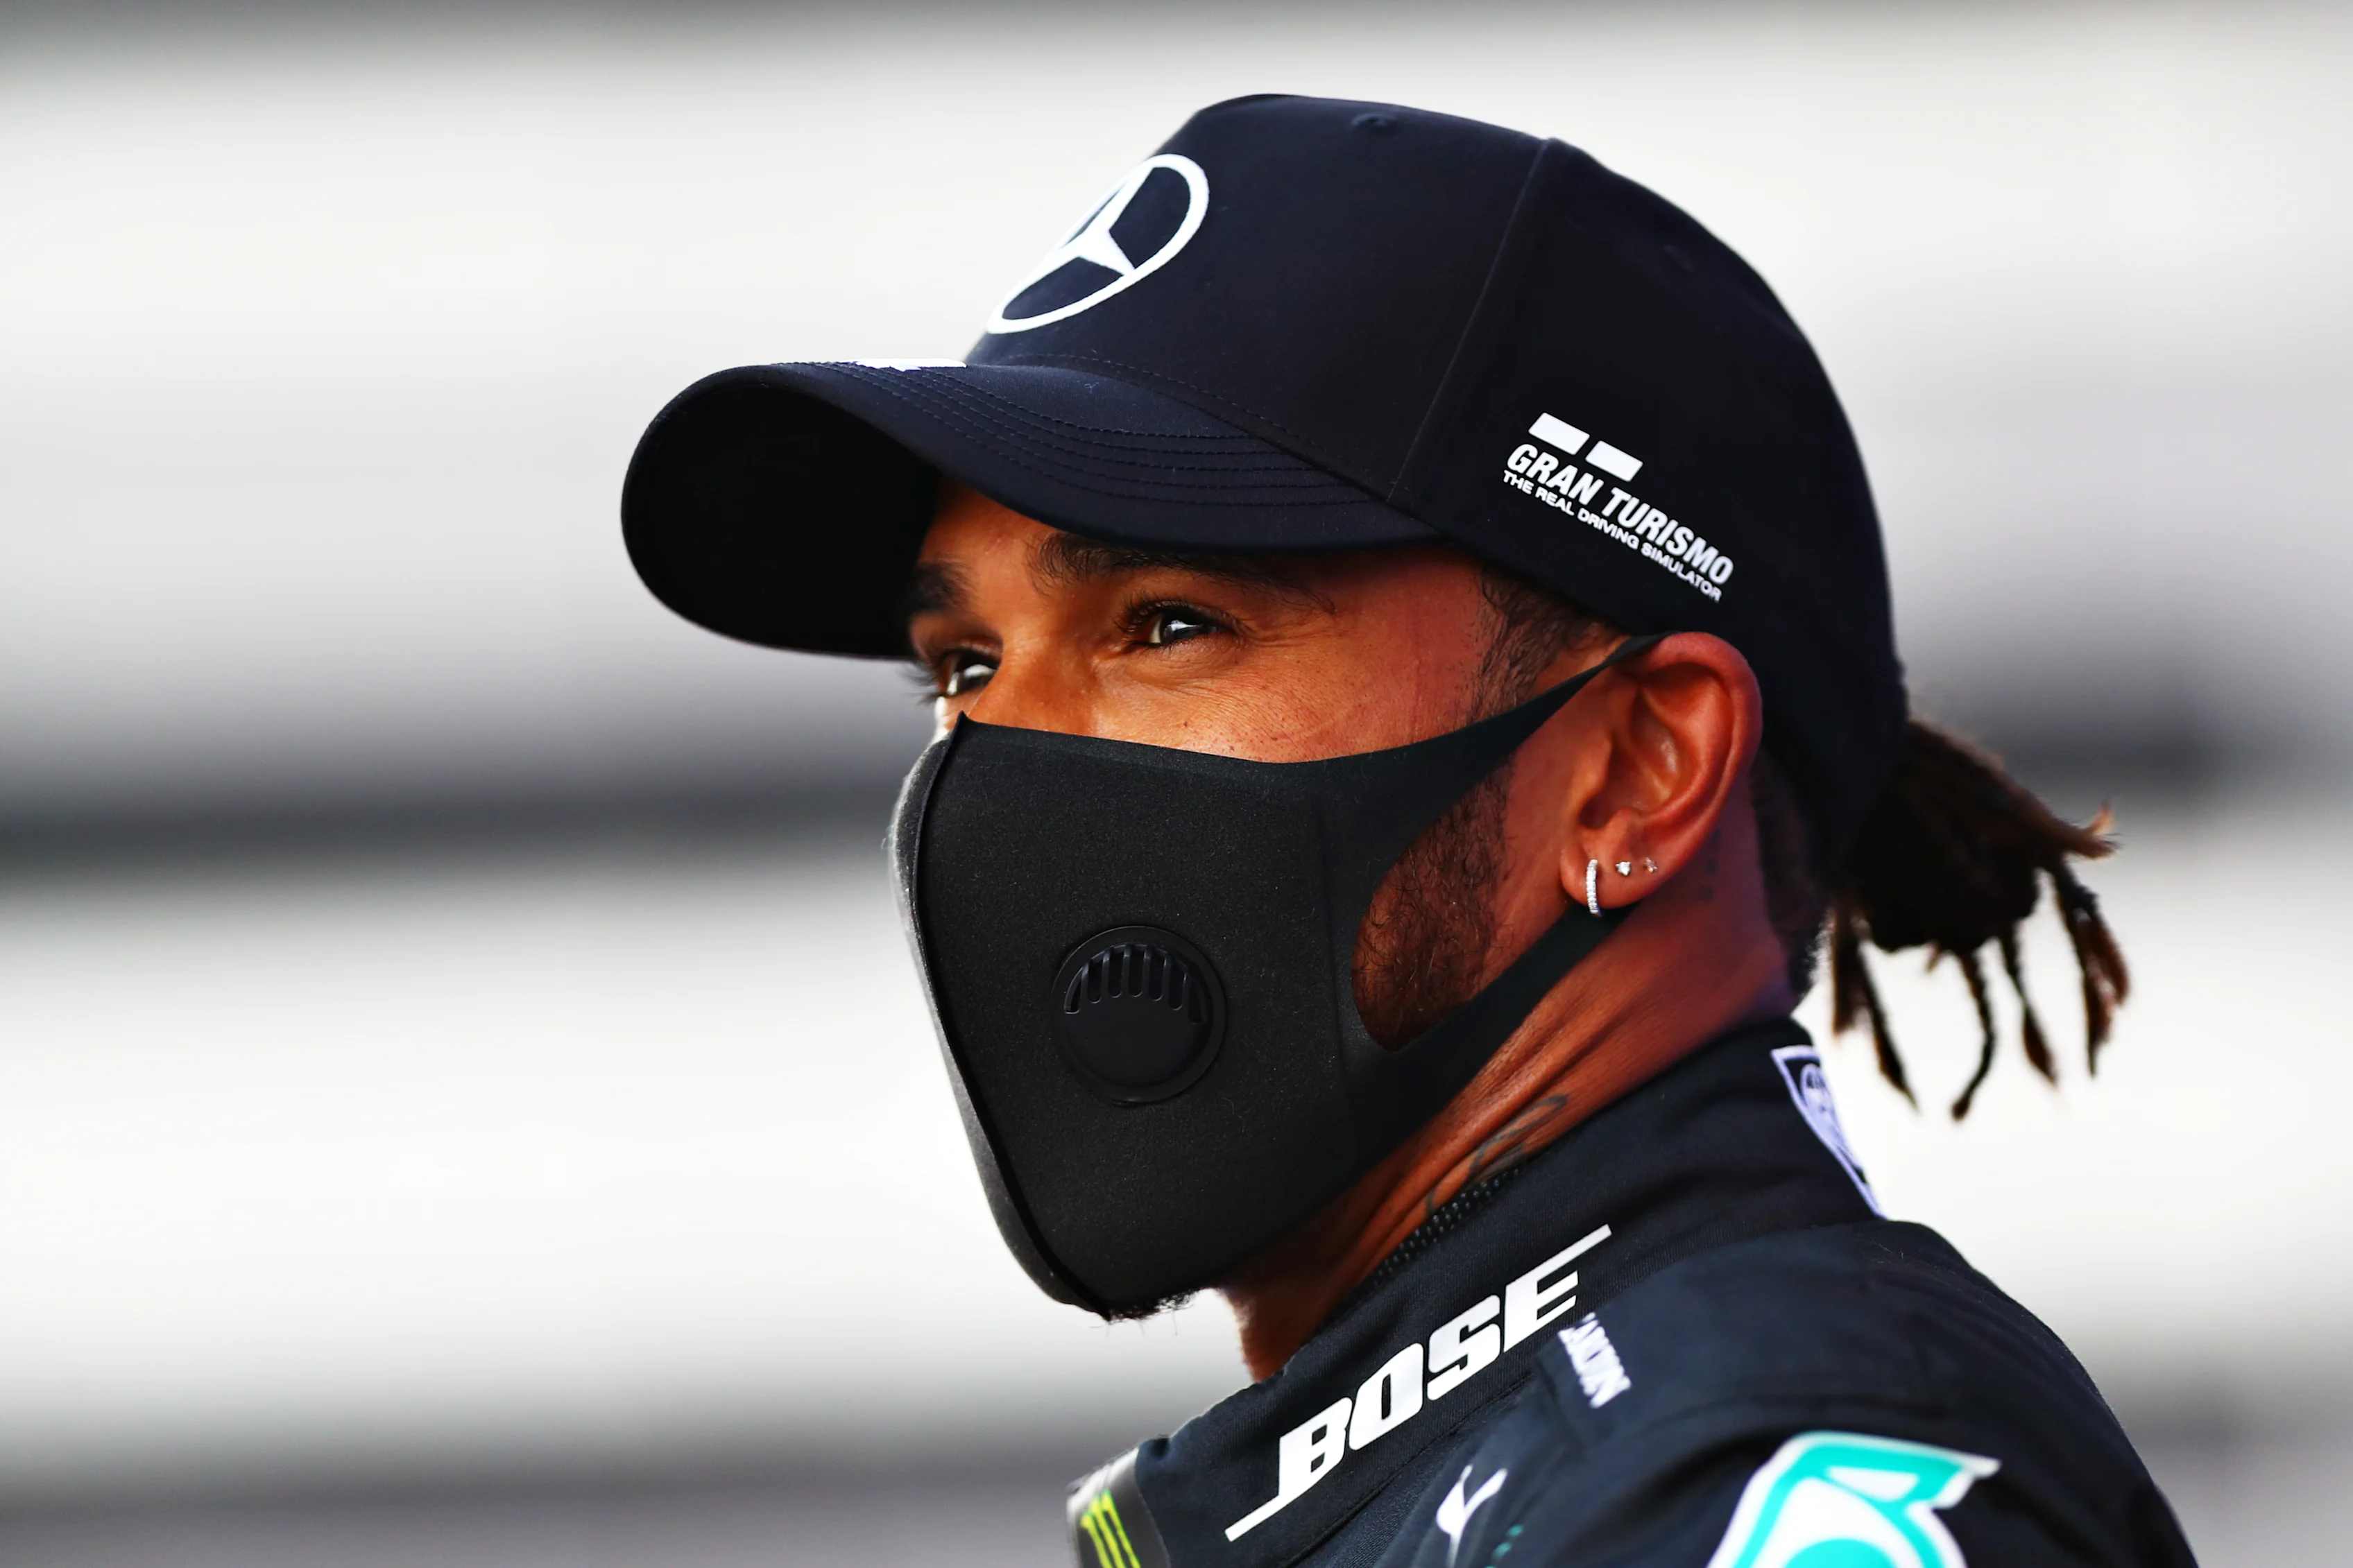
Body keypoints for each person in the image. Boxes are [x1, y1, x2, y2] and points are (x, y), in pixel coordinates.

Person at [622, 96, 2185, 1567]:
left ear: (1636, 767)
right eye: (961, 668)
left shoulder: (1770, 1470)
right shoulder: (1486, 1471)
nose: (996, 762)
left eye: (1166, 622)